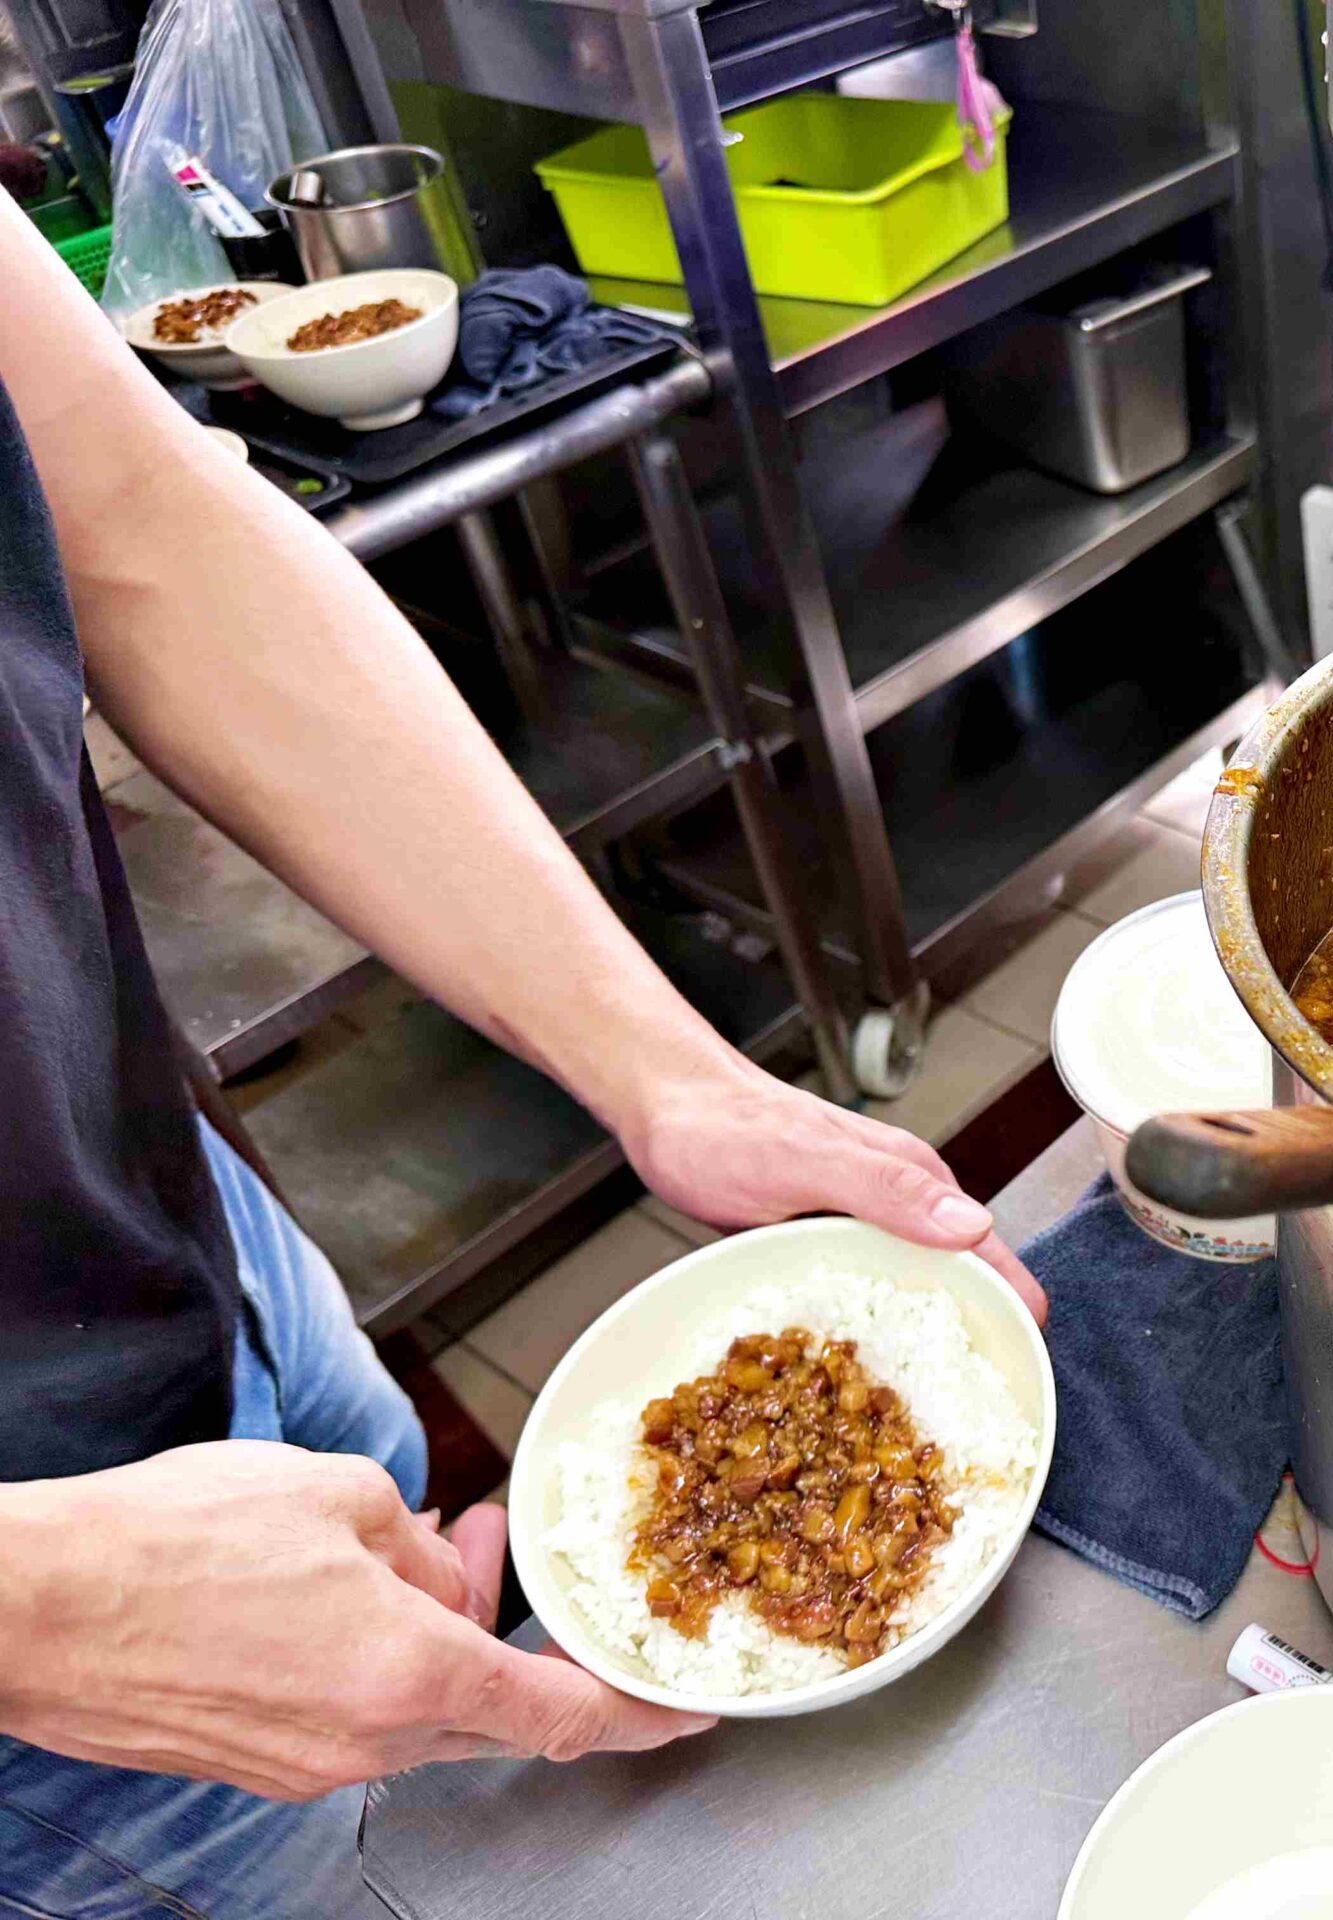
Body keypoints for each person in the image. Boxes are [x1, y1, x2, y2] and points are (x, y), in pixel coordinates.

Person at [0, 196, 1046, 1916]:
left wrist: (669, 1073)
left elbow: (135, 523)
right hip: (40, 1666)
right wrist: (37, 1609)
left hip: (165, 1223)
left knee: (404, 1557)